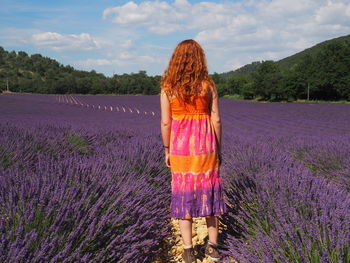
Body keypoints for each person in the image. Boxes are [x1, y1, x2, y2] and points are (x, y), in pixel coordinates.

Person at [160, 39, 227, 263]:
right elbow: (216, 119)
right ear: (200, 59)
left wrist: (167, 149)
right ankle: (212, 247)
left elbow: (166, 123)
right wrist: (218, 148)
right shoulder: (208, 86)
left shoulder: (168, 87)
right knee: (209, 191)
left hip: (180, 148)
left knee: (183, 194)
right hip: (205, 146)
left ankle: (188, 250)